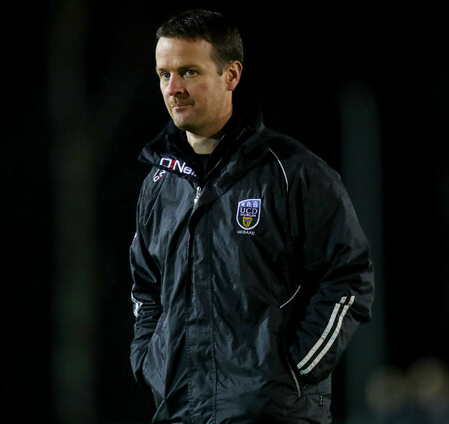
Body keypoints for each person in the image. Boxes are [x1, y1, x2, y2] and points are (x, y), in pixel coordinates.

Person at [129, 9, 374, 424]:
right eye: (164, 74)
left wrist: (295, 370)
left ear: (231, 75)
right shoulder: (158, 185)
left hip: (274, 413)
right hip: (180, 412)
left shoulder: (292, 172)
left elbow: (348, 275)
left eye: (189, 72)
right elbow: (146, 288)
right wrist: (150, 362)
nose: (173, 88)